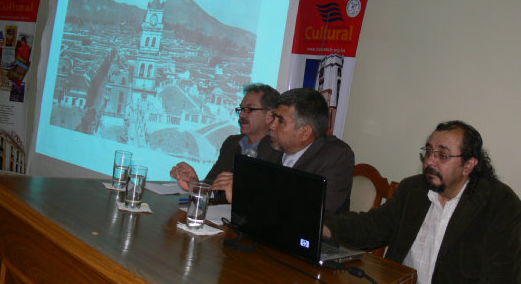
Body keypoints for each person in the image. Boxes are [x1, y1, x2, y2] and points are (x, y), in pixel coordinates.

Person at [323, 120, 521, 284]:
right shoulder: (413, 190)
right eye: (428, 151)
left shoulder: (499, 204)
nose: (429, 162)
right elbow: (372, 226)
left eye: (442, 155)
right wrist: (326, 227)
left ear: (468, 165)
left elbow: (501, 276)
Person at [214, 87, 355, 215]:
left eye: (280, 121)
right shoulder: (267, 145)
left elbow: (314, 212)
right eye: (273, 118)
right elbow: (236, 188)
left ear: (304, 132)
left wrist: (246, 197)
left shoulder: (337, 156)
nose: (272, 126)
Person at [170, 83, 280, 192]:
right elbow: (212, 185)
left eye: (249, 109)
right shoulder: (232, 143)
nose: (241, 114)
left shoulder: (279, 153)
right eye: (241, 109)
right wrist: (195, 183)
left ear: (269, 116)